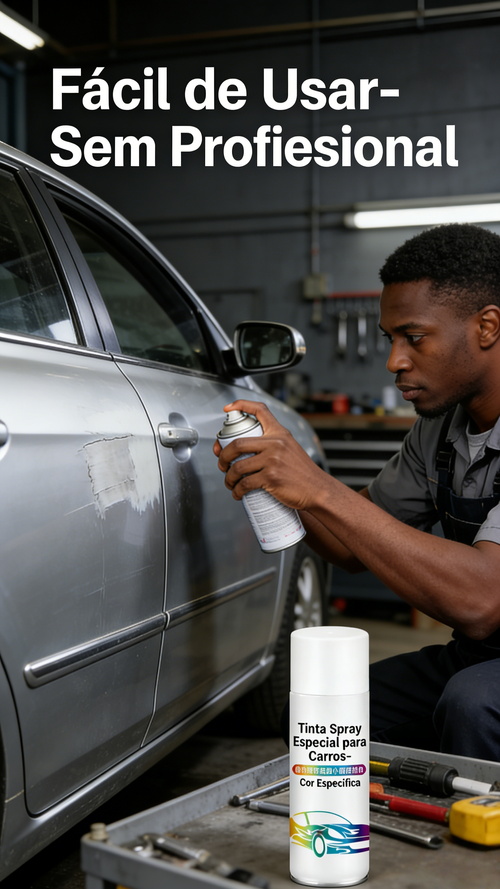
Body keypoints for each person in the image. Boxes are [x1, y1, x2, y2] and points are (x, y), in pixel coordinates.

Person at [214, 223, 500, 762]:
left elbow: (482, 601)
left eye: (413, 338)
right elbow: (348, 547)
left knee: (473, 704)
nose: (394, 361)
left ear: (486, 327)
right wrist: (279, 479)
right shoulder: (439, 430)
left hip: (485, 663)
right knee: (319, 722)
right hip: (479, 656)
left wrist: (318, 487)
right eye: (389, 339)